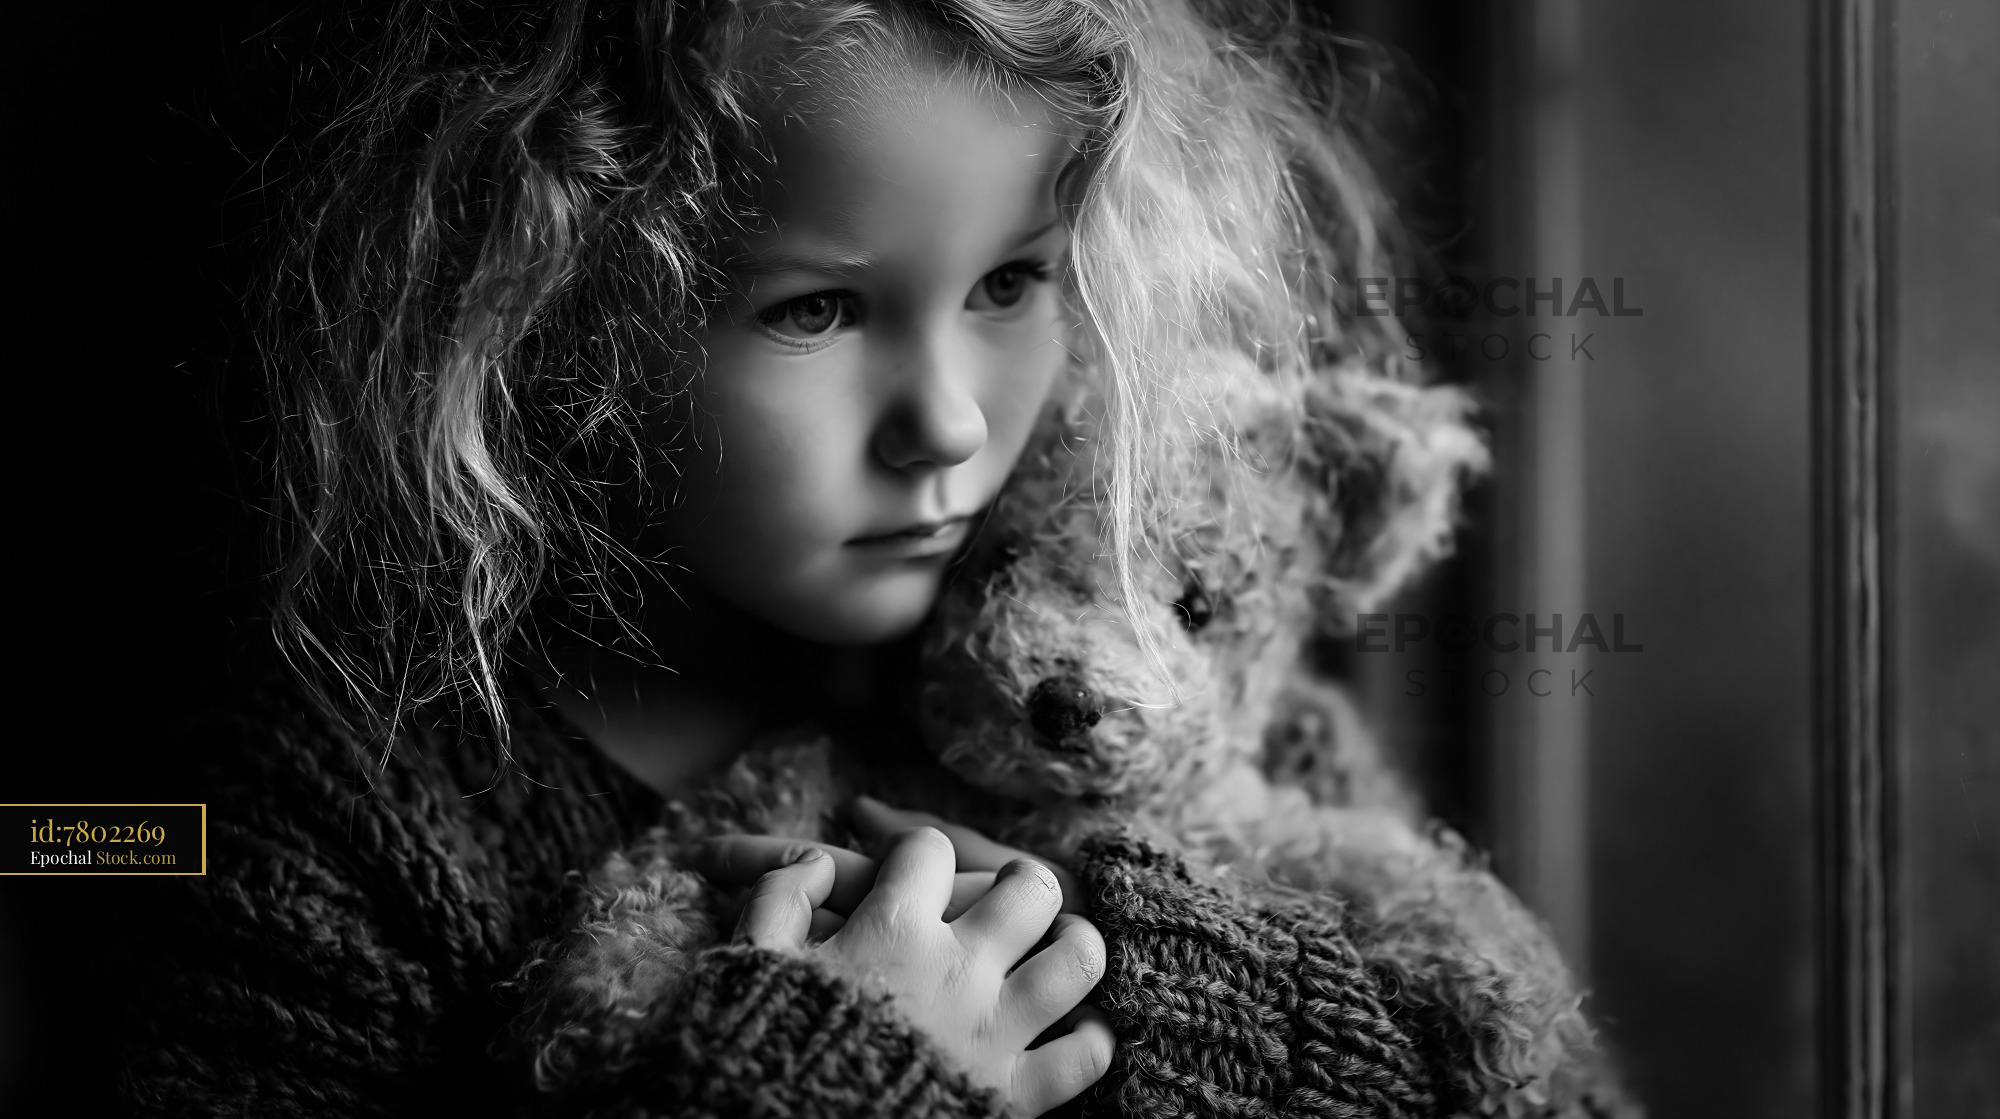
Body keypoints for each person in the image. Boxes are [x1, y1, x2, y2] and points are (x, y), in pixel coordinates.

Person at [119, 1, 1570, 1116]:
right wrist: (826, 1079)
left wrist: (1153, 1001)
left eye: (1011, 282)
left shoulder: (1145, 683)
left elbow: (1544, 1086)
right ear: (543, 305)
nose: (944, 423)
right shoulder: (322, 828)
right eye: (816, 312)